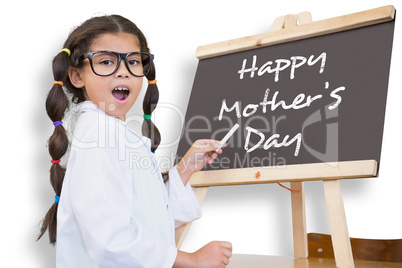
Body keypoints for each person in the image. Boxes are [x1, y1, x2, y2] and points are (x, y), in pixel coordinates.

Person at [37, 14, 232, 267]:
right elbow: (111, 240)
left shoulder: (112, 133)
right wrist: (191, 260)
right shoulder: (99, 138)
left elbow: (146, 216)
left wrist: (186, 168)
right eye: (106, 62)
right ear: (77, 77)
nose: (123, 73)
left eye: (133, 62)